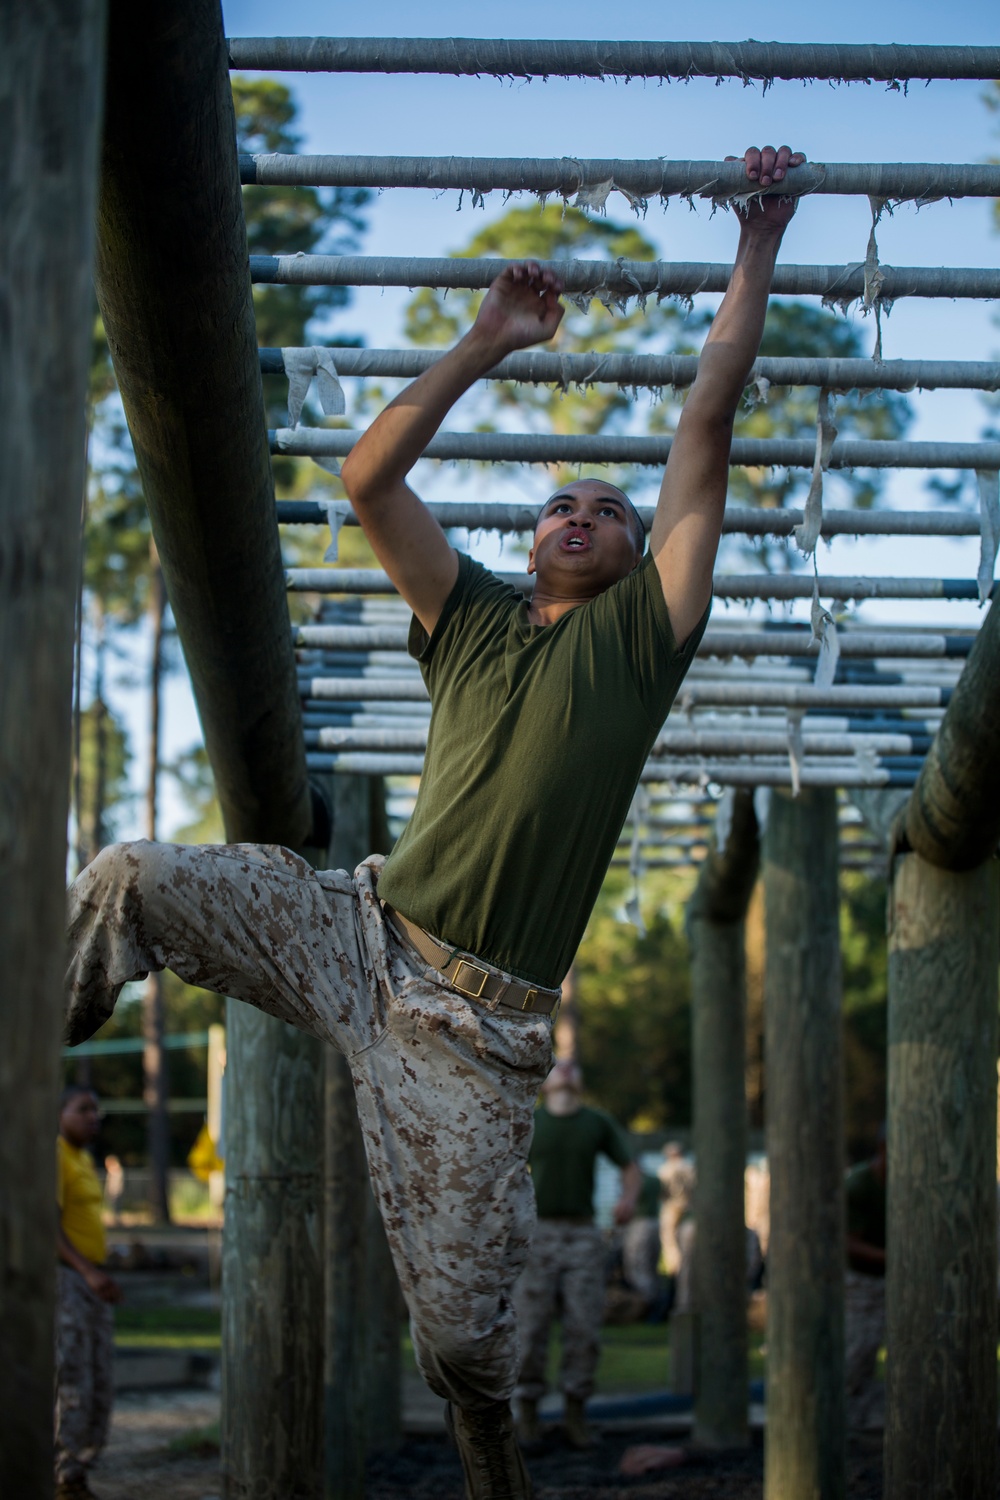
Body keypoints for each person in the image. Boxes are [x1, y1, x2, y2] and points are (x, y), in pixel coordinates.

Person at [64, 145, 804, 1500]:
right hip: (356, 928)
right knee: (129, 875)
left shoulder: (643, 643)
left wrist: (758, 244)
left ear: (643, 557)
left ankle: (493, 1469)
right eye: (557, 505)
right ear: (528, 547)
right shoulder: (466, 620)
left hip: (476, 1033)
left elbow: (704, 425)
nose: (578, 513)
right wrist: (484, 339)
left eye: (608, 511)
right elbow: (367, 480)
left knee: (463, 1342)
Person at [513, 1060, 640, 1448]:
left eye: (572, 1067)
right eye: (558, 1066)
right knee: (530, 1328)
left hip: (583, 1235)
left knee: (583, 1327)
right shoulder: (530, 1121)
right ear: (545, 1081)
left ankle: (575, 1415)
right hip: (539, 1234)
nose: (566, 1070)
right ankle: (528, 1416)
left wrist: (628, 1198)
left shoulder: (596, 1122)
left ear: (580, 1083)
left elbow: (631, 1167)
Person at [55, 1086, 123, 1500]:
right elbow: (47, 1223)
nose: (92, 1117)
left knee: (100, 1374)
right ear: (59, 1113)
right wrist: (85, 1271)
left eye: (96, 1110)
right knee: (72, 1375)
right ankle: (62, 1470)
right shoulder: (54, 1156)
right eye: (83, 1109)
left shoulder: (81, 1158)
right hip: (66, 1280)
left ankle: (79, 1471)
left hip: (90, 1280)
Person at [845, 1132, 887, 1429]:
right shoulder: (860, 1185)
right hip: (862, 1280)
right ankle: (848, 1419)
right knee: (859, 1350)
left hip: (889, 1276)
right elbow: (847, 1241)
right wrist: (891, 1257)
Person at [658, 1140, 696, 1279]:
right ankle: (687, 1265)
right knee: (687, 1238)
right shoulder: (689, 1167)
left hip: (671, 1206)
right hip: (688, 1206)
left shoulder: (666, 1169)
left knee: (669, 1237)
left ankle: (674, 1268)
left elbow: (662, 1191)